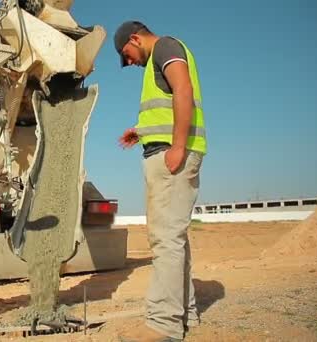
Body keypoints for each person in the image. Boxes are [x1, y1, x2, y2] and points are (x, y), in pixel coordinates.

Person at [114, 21, 207, 342]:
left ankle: (163, 324)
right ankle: (186, 314)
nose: (129, 62)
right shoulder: (157, 58)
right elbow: (164, 107)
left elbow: (183, 90)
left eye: (126, 54)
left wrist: (178, 145)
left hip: (173, 154)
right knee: (174, 238)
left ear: (136, 38)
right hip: (166, 149)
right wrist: (139, 132)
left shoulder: (165, 46)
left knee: (166, 240)